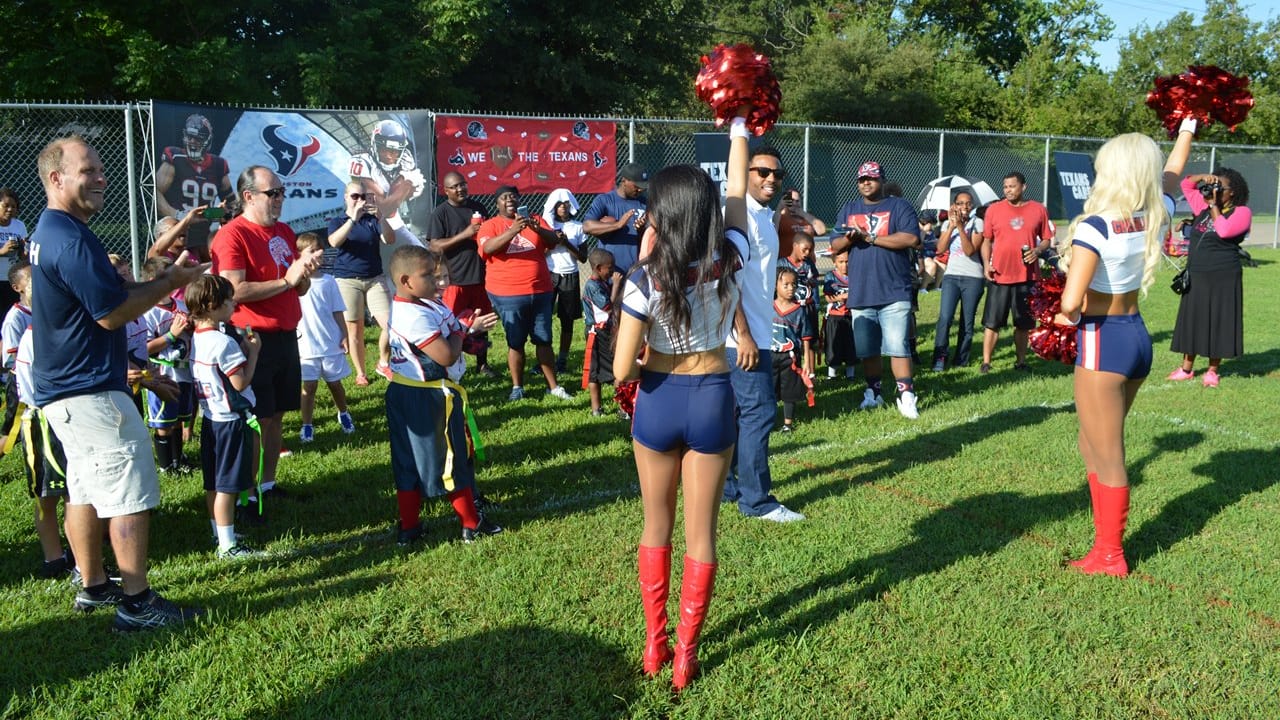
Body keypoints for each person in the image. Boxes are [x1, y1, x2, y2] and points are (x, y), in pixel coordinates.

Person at [30, 135, 207, 630]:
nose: (101, 178)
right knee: (129, 489)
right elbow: (111, 313)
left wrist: (160, 279)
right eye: (88, 170)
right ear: (56, 178)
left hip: (67, 390)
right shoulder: (69, 238)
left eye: (100, 169)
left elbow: (104, 293)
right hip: (89, 390)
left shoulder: (55, 229)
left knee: (85, 489)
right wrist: (170, 284)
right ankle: (136, 603)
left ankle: (93, 586)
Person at [613, 111, 752, 691]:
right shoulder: (732, 255)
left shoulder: (646, 278)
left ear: (660, 216)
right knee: (703, 535)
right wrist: (739, 128)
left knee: (656, 526)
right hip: (714, 396)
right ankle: (686, 657)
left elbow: (621, 369)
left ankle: (655, 644)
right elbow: (738, 191)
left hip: (659, 398)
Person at [1053, 133, 1167, 577]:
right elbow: (1173, 173)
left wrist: (1061, 312)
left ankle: (1109, 554)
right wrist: (1187, 128)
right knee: (1091, 442)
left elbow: (1070, 302)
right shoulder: (1154, 213)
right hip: (1136, 336)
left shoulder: (1095, 226)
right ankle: (1103, 543)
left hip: (1103, 339)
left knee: (1109, 454)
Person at [211, 165, 324, 505]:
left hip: (285, 335)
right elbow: (234, 289)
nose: (280, 199)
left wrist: (303, 275)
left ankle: (268, 486)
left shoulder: (284, 231)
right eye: (272, 193)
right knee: (257, 419)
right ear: (249, 196)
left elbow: (297, 287)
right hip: (252, 338)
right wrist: (287, 281)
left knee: (276, 416)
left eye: (281, 192)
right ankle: (246, 497)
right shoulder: (232, 235)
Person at [384, 245, 501, 546]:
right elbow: (446, 354)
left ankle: (410, 527)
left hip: (411, 392)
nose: (437, 282)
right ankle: (471, 524)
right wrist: (463, 331)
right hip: (427, 396)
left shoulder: (423, 304)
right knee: (449, 457)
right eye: (428, 276)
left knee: (411, 461)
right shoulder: (412, 315)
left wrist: (465, 331)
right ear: (406, 281)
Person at [719, 144, 805, 523]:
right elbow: (727, 280)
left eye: (777, 174)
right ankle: (756, 501)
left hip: (753, 331)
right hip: (742, 337)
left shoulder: (763, 216)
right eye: (763, 172)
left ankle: (726, 488)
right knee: (759, 412)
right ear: (745, 173)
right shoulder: (740, 218)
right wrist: (744, 335)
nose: (771, 179)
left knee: (736, 413)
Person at [829, 161, 921, 419]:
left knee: (897, 345)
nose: (866, 183)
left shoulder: (899, 206)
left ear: (882, 180)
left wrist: (870, 238)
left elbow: (911, 238)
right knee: (867, 348)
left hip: (894, 289)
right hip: (861, 291)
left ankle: (906, 395)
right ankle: (874, 392)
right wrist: (850, 238)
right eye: (862, 179)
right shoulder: (849, 209)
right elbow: (835, 244)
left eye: (871, 178)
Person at [188, 274, 265, 559]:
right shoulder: (224, 342)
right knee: (227, 487)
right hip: (230, 422)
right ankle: (228, 546)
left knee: (213, 483)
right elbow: (239, 383)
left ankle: (219, 532)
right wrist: (253, 353)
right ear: (212, 305)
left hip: (211, 419)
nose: (234, 304)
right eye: (229, 300)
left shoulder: (197, 338)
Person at [476, 185, 574, 402]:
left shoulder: (535, 219)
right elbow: (488, 249)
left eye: (513, 196)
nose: (510, 199)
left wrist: (537, 229)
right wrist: (513, 230)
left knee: (544, 340)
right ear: (497, 203)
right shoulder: (490, 225)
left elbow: (554, 240)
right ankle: (517, 387)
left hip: (540, 291)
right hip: (508, 293)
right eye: (504, 197)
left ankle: (553, 386)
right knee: (516, 342)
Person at [11, 278, 72, 578]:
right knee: (47, 494)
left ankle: (78, 554)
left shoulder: (57, 332)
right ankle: (54, 558)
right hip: (45, 423)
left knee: (74, 492)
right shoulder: (36, 337)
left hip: (65, 418)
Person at [1167, 169, 1252, 387]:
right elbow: (1186, 185)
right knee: (1193, 319)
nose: (1215, 191)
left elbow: (1223, 231)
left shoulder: (1242, 212)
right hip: (1197, 273)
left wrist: (1214, 205)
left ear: (1232, 192)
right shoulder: (1202, 207)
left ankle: (1212, 371)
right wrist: (1203, 177)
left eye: (1220, 188)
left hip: (1224, 275)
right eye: (1214, 187)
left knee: (1219, 320)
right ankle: (1186, 369)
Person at [979, 172, 1054, 373]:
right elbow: (986, 240)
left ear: (1023, 187)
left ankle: (1021, 361)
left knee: (1023, 323)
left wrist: (1037, 251)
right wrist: (986, 264)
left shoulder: (1038, 209)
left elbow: (1046, 239)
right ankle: (986, 362)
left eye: (1012, 186)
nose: (1008, 190)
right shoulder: (994, 210)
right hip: (1000, 275)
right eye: (1005, 187)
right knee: (992, 322)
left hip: (1027, 277)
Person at [426, 171, 495, 377]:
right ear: (446, 190)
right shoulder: (441, 213)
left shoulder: (478, 207)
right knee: (451, 324)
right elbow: (434, 246)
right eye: (454, 186)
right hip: (454, 279)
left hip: (479, 276)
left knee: (482, 322)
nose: (460, 189)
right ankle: (451, 364)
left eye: (462, 184)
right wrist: (465, 234)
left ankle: (482, 364)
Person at [327, 179, 395, 386]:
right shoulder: (338, 220)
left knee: (391, 325)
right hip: (347, 280)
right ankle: (360, 373)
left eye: (363, 196)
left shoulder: (372, 220)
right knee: (355, 330)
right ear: (346, 198)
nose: (359, 200)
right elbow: (334, 242)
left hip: (374, 278)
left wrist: (382, 217)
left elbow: (389, 239)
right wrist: (352, 219)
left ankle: (383, 362)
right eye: (355, 196)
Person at [294, 232, 356, 442]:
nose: (318, 255)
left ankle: (343, 413)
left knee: (335, 383)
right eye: (312, 251)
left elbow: (337, 311)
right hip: (305, 346)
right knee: (309, 387)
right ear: (299, 254)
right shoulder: (294, 283)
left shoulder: (329, 281)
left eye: (319, 250)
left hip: (330, 343)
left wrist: (344, 335)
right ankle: (307, 425)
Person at [140, 257, 197, 474]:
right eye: (169, 276)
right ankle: (166, 466)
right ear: (154, 281)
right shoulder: (147, 311)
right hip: (163, 373)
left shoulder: (180, 305)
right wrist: (171, 335)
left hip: (184, 371)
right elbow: (145, 348)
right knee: (164, 422)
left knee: (179, 419)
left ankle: (178, 460)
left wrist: (190, 325)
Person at [156, 114, 234, 261]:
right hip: (178, 232)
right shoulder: (175, 157)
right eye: (190, 137)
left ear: (207, 140)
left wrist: (218, 212)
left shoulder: (218, 165)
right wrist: (179, 216)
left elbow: (232, 204)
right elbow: (155, 193)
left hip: (204, 234)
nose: (193, 141)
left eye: (198, 138)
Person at [349, 117, 426, 247]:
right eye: (384, 149)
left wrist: (406, 189)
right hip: (364, 221)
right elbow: (383, 207)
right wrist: (406, 185)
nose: (389, 155)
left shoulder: (406, 159)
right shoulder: (361, 161)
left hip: (392, 222)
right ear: (375, 145)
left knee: (420, 253)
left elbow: (390, 208)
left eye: (395, 151)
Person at [930, 191, 986, 371]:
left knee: (967, 321)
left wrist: (961, 228)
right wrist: (951, 227)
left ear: (972, 206)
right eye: (960, 203)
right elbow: (940, 249)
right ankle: (940, 356)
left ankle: (961, 358)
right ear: (954, 206)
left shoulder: (978, 223)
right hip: (951, 276)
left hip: (973, 277)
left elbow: (970, 251)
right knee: (945, 317)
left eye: (968, 203)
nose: (964, 207)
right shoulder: (948, 223)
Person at [542, 189, 588, 374]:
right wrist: (553, 241)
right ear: (553, 207)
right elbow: (540, 252)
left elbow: (583, 258)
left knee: (567, 320)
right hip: (549, 274)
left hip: (570, 275)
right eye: (559, 205)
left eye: (566, 204)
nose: (563, 208)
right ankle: (544, 360)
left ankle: (562, 360)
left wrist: (567, 243)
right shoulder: (546, 225)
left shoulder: (578, 227)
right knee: (544, 318)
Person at [583, 163, 649, 274]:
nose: (640, 190)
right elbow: (586, 226)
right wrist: (617, 225)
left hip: (636, 271)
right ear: (624, 181)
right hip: (611, 272)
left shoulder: (645, 203)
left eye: (642, 187)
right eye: (636, 186)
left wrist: (641, 230)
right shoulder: (605, 200)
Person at [771, 268, 814, 432]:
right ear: (775, 285)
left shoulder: (799, 311)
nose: (791, 288)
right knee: (769, 389)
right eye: (786, 284)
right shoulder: (768, 307)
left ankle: (787, 424)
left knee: (790, 391)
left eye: (794, 284)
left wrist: (807, 362)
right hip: (770, 355)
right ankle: (769, 421)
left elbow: (806, 338)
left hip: (791, 358)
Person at [581, 247, 621, 417]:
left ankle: (613, 407)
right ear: (598, 268)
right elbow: (607, 307)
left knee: (604, 369)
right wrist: (616, 286)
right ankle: (607, 408)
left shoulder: (601, 283)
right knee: (605, 371)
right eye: (609, 268)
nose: (612, 271)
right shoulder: (592, 286)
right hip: (598, 334)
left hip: (604, 331)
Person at [777, 233, 819, 377]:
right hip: (791, 309)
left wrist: (811, 281)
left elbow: (815, 279)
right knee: (792, 338)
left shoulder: (808, 264)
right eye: (804, 249)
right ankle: (791, 369)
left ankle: (811, 373)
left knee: (810, 339)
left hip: (807, 307)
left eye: (810, 250)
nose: (807, 253)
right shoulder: (782, 263)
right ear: (795, 246)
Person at [822, 248, 856, 380]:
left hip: (851, 316)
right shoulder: (830, 276)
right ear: (834, 262)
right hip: (835, 316)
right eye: (841, 262)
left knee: (851, 345)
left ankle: (850, 373)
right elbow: (827, 297)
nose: (844, 265)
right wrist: (841, 297)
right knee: (833, 345)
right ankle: (832, 374)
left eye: (847, 261)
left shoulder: (855, 275)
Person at [0, 188, 29, 307]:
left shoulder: (19, 225)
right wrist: (2, 251)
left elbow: (23, 257)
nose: (10, 209)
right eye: (6, 205)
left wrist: (23, 249)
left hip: (12, 279)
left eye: (14, 206)